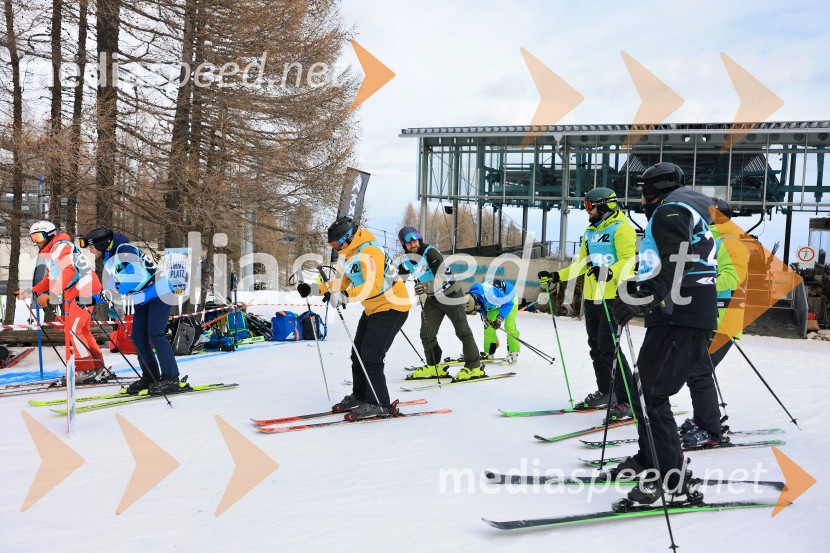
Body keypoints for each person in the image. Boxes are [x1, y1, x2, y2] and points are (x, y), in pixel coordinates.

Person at [609, 162, 718, 509]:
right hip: (674, 315)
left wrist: (641, 296)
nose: (640, 198)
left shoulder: (671, 210)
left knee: (652, 394)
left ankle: (670, 479)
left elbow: (674, 262)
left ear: (655, 190)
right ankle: (656, 460)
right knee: (646, 391)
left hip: (681, 316)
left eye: (643, 190)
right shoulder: (678, 210)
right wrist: (638, 287)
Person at [538, 187, 636, 415]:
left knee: (610, 348)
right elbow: (582, 264)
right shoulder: (590, 232)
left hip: (613, 296)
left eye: (589, 206)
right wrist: (556, 276)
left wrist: (609, 271)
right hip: (592, 297)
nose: (586, 211)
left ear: (604, 206)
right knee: (596, 348)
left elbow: (628, 261)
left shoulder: (622, 229)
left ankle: (629, 400)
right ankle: (606, 392)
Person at [311, 216, 410, 421]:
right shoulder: (349, 255)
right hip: (373, 308)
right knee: (358, 354)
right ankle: (361, 395)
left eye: (337, 243)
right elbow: (341, 283)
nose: (335, 247)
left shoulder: (370, 252)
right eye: (332, 245)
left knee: (371, 355)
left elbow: (372, 286)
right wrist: (313, 288)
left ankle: (380, 403)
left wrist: (345, 297)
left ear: (348, 237)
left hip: (393, 306)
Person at [81, 227, 186, 396]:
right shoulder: (110, 260)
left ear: (101, 244)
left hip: (160, 293)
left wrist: (114, 292)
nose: (91, 251)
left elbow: (136, 276)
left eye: (92, 247)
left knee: (155, 334)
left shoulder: (125, 250)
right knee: (138, 337)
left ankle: (171, 378)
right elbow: (109, 289)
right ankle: (150, 377)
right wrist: (91, 299)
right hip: (143, 300)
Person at [680, 198, 749, 447]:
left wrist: (696, 284)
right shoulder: (705, 241)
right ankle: (706, 419)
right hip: (705, 318)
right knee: (695, 370)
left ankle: (710, 430)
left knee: (699, 371)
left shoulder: (730, 242)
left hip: (724, 320)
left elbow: (732, 278)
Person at [17, 221, 105, 382]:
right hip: (80, 289)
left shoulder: (60, 247)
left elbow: (69, 272)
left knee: (74, 331)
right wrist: (32, 291)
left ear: (49, 234)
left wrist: (52, 294)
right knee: (81, 330)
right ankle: (97, 365)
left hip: (84, 289)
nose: (35, 240)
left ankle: (86, 369)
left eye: (38, 236)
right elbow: (50, 278)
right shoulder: (53, 250)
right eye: (32, 237)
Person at [396, 226, 482, 381]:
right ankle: (434, 366)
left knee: (463, 331)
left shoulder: (430, 252)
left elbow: (441, 276)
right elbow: (397, 282)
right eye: (408, 243)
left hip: (451, 295)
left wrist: (424, 286)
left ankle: (474, 367)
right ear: (404, 245)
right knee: (427, 334)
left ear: (418, 239)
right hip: (433, 299)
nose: (412, 244)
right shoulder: (406, 261)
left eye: (414, 240)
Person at [463, 279, 520, 365]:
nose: (475, 312)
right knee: (488, 326)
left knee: (509, 326)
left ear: (477, 303)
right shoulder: (473, 296)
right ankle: (489, 352)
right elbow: (482, 311)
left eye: (475, 309)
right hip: (493, 303)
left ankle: (513, 354)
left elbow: (508, 304)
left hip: (509, 298)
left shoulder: (490, 295)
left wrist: (499, 318)